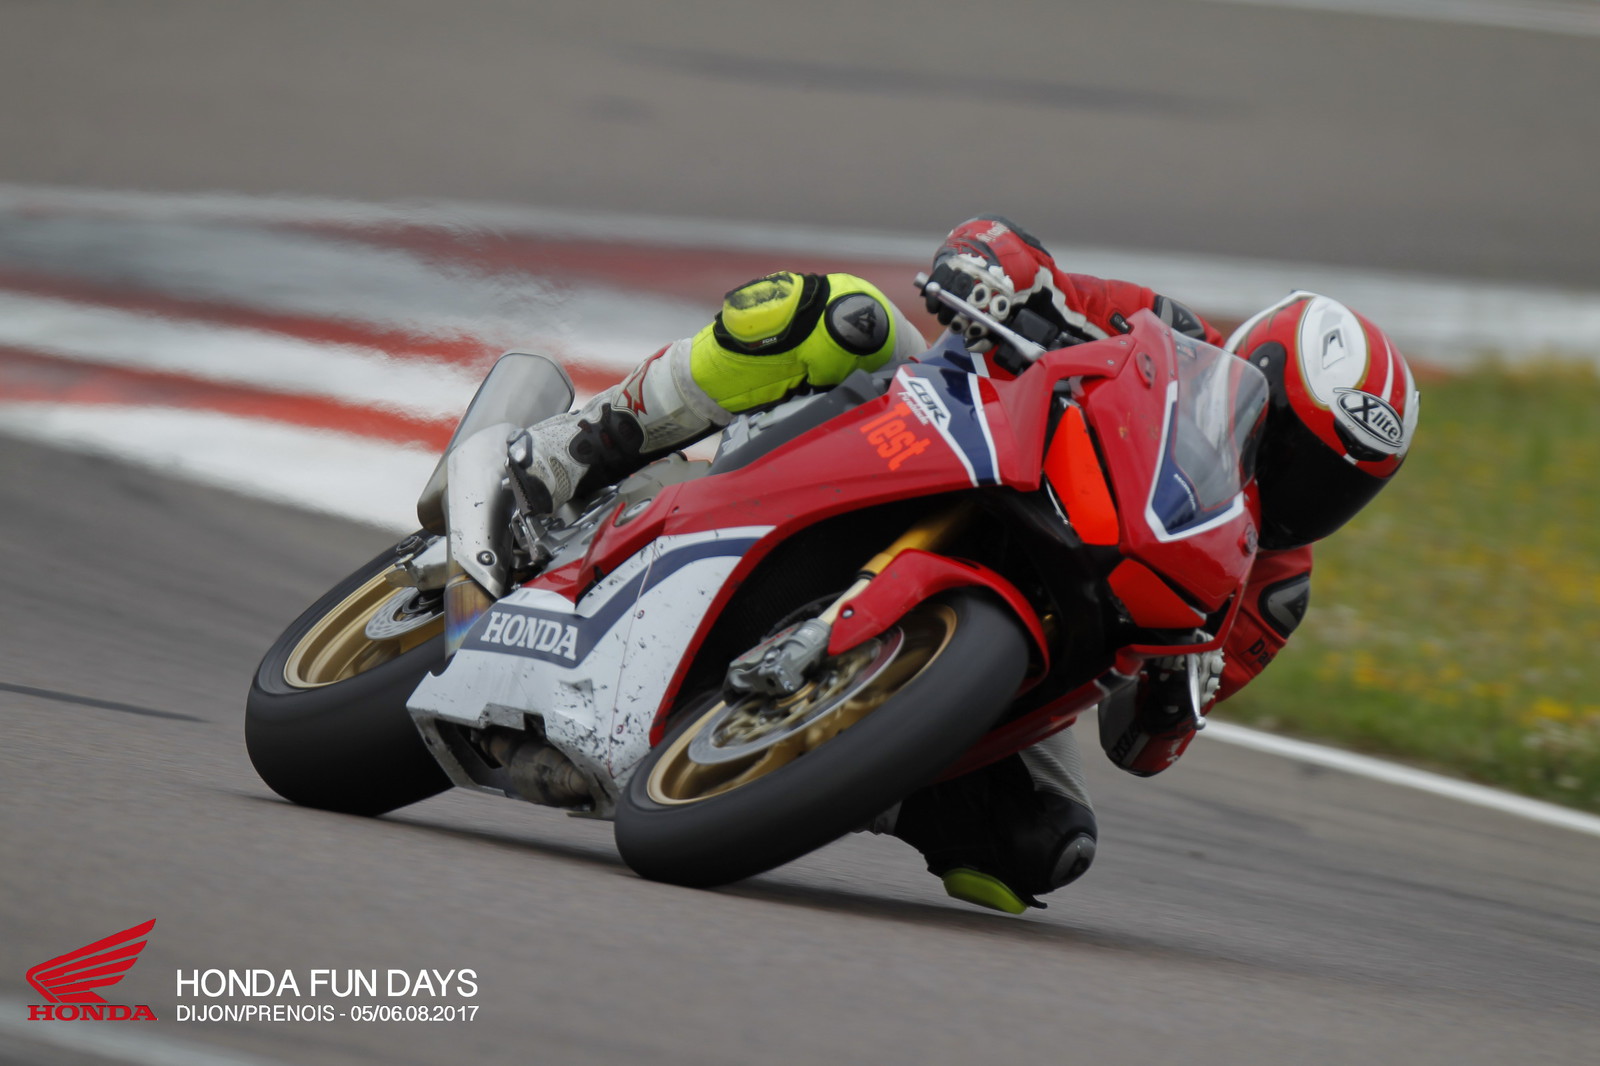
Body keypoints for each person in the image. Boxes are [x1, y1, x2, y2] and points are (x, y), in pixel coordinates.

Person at [509, 216, 1420, 914]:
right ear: (1254, 368)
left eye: (1338, 485)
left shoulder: (1272, 588)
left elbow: (1136, 747)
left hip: (1038, 618)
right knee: (841, 317)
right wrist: (990, 267)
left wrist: (1175, 700)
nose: (1302, 488)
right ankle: (577, 448)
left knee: (1040, 846)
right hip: (946, 438)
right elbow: (1018, 260)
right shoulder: (1164, 333)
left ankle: (816, 764)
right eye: (1294, 448)